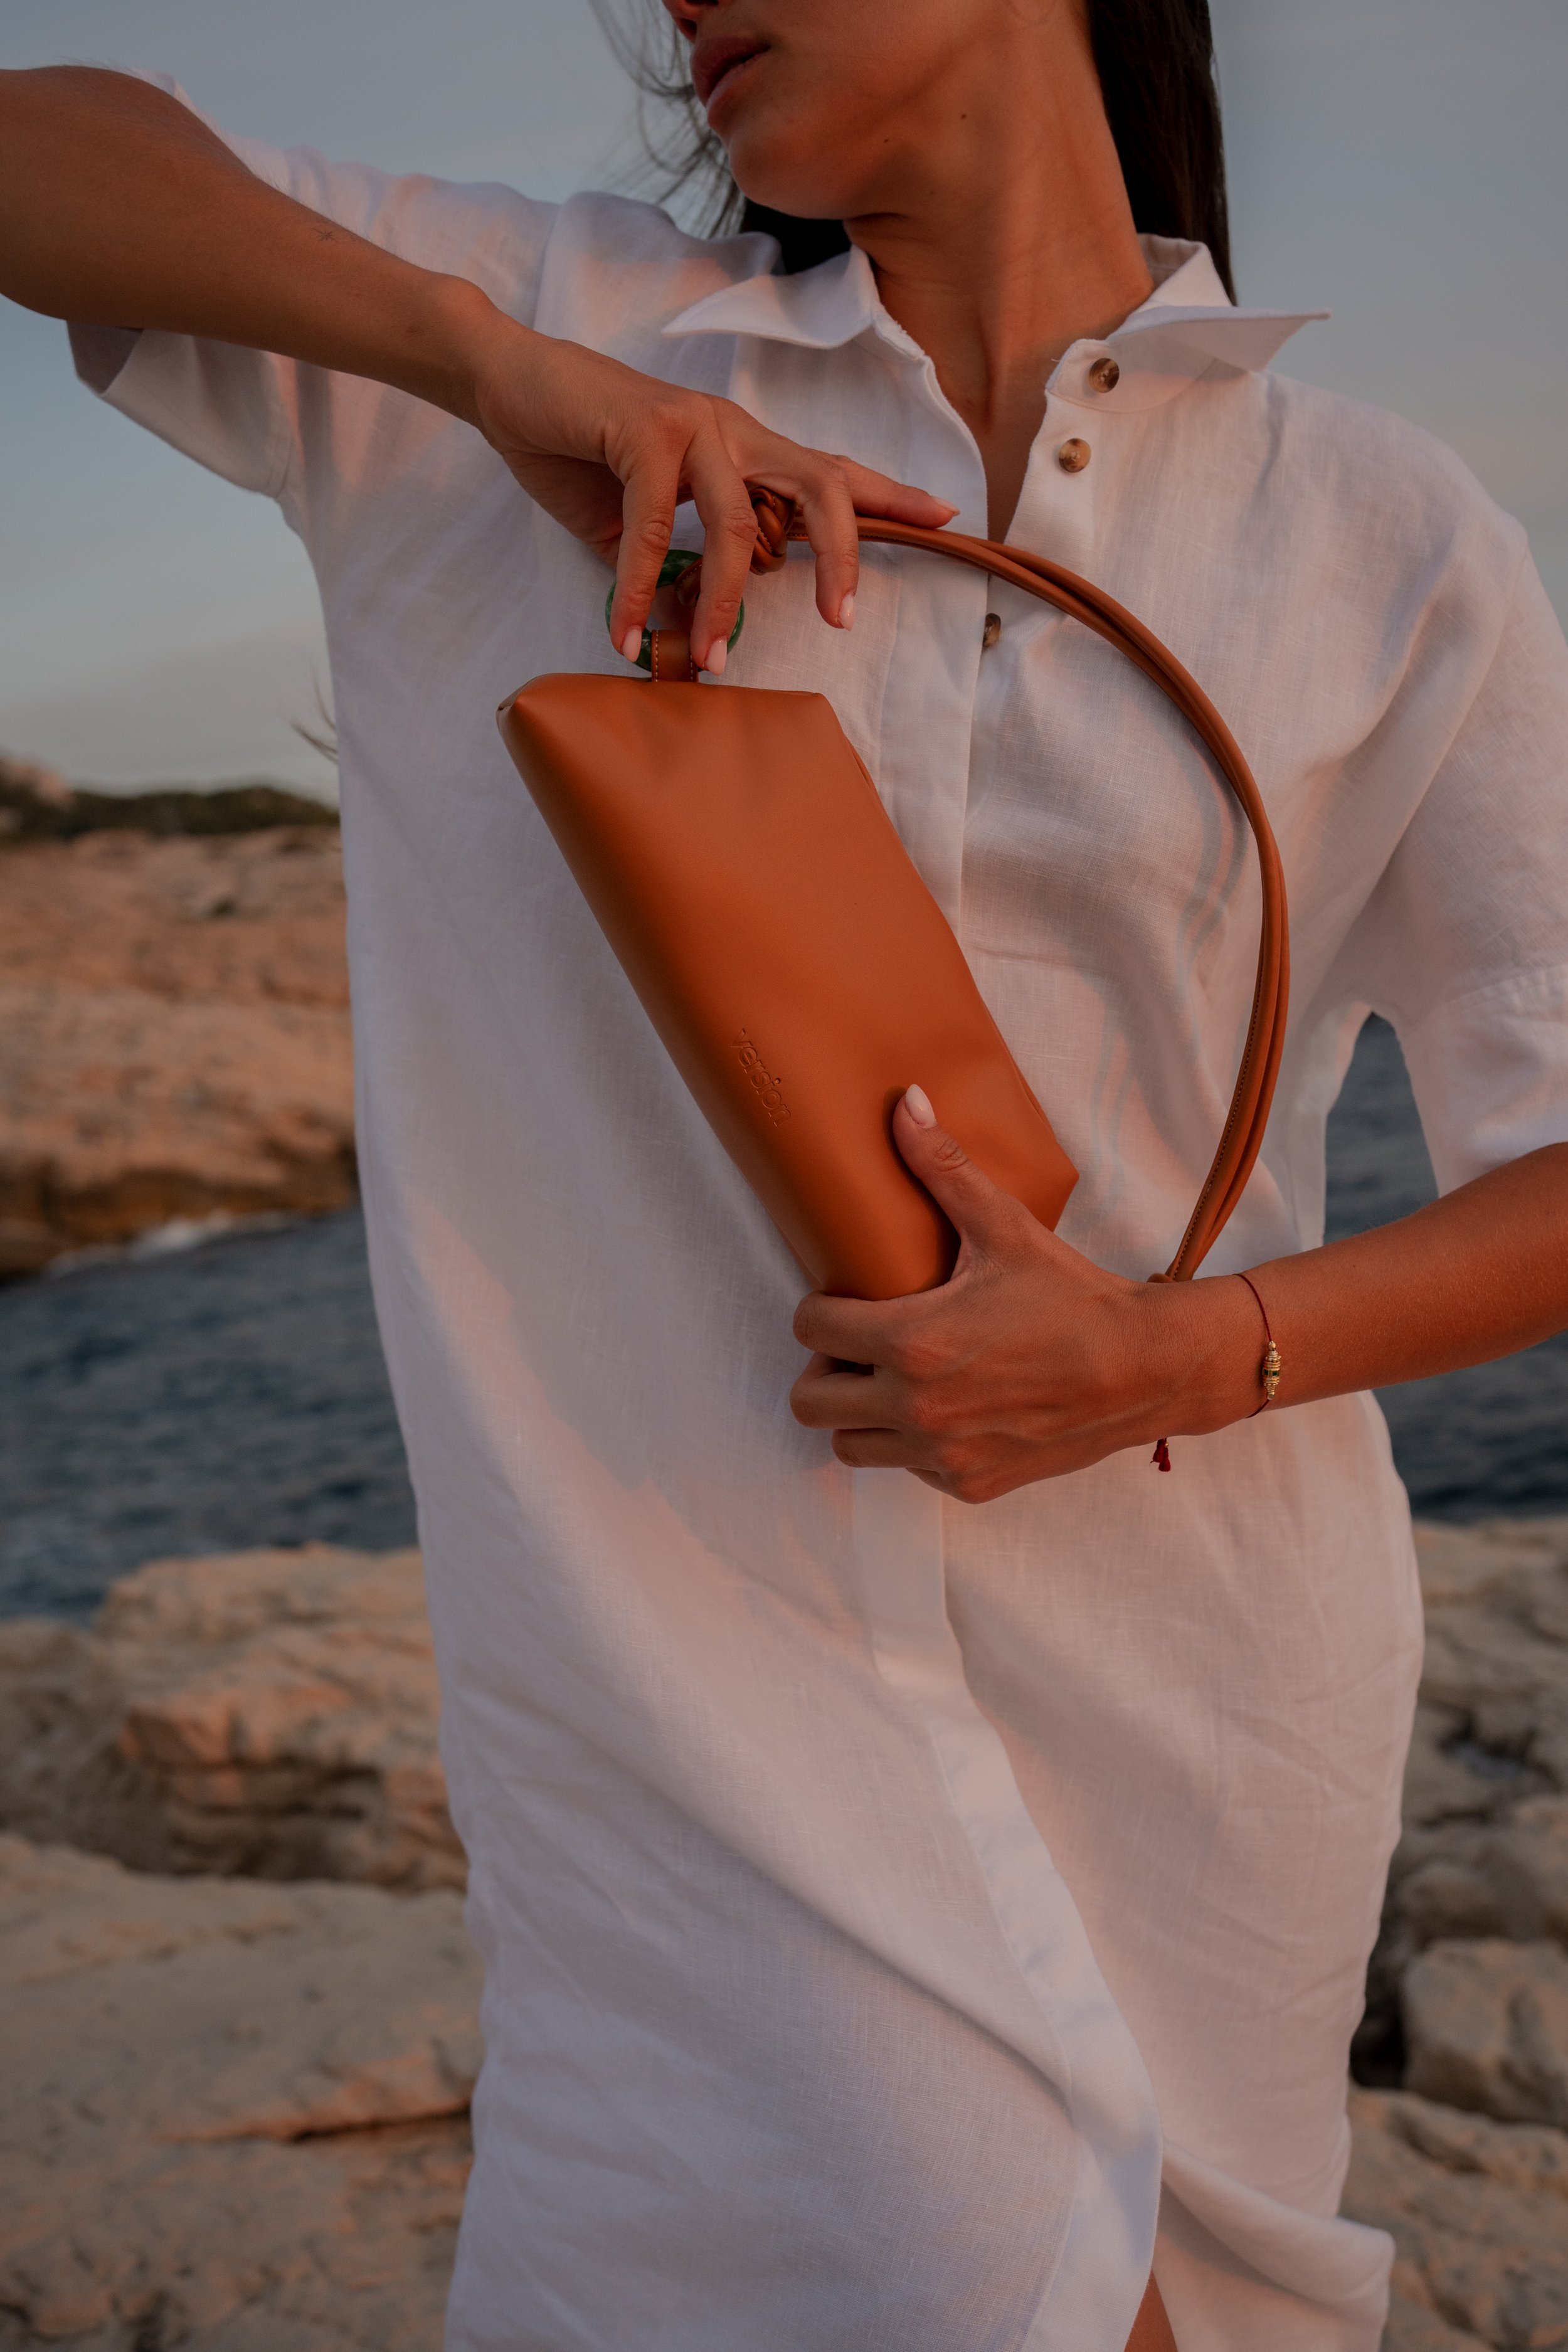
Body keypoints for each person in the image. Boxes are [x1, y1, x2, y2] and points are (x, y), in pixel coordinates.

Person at [3, 4, 1565, 2344]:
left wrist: (1176, 1353)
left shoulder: (1376, 526)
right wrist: (484, 366)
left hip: (1197, 1682)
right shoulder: (530, 334)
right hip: (678, 1719)